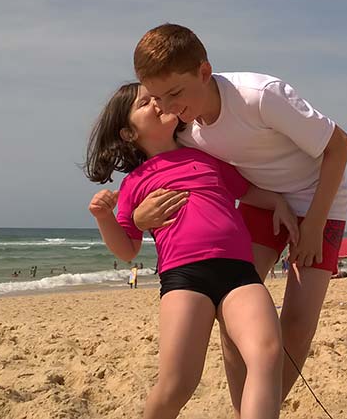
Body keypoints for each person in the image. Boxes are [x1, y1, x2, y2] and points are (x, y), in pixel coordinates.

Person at [131, 24, 347, 410]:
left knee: (297, 327)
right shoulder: (181, 127)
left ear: (204, 72)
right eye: (158, 97)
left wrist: (314, 225)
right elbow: (158, 171)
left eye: (175, 93)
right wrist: (137, 217)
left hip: (320, 203)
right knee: (234, 319)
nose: (167, 107)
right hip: (260, 201)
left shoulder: (260, 96)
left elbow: (340, 145)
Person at [85, 81, 297, 419]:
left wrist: (278, 203)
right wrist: (104, 218)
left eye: (158, 97)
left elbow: (246, 191)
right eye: (145, 103)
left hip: (239, 273)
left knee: (267, 352)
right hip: (185, 279)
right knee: (178, 384)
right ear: (128, 133)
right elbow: (127, 249)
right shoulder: (134, 183)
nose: (157, 103)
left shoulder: (205, 157)